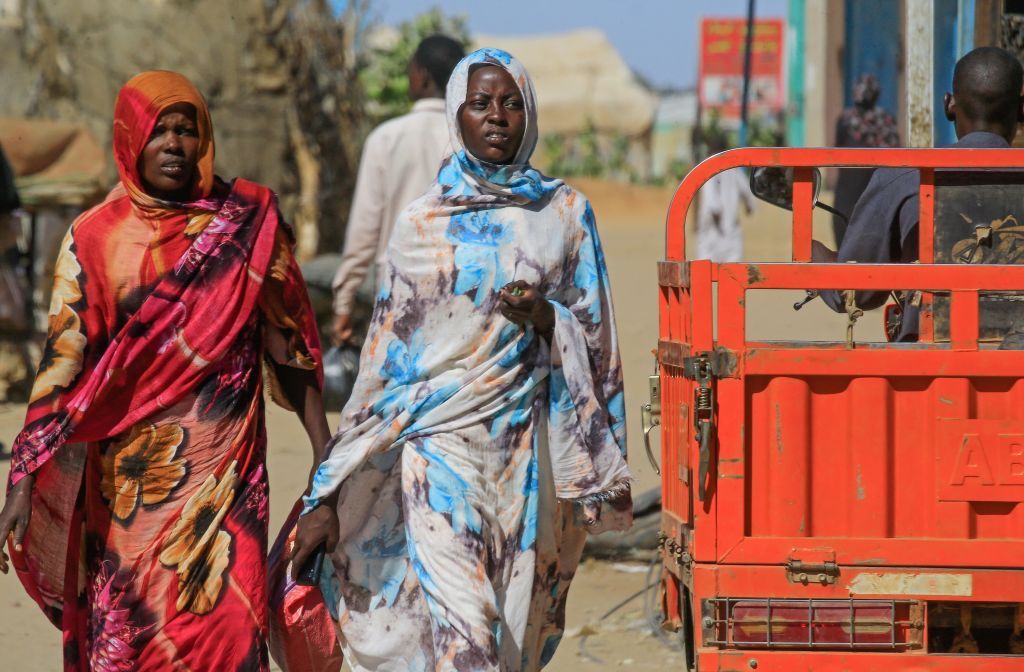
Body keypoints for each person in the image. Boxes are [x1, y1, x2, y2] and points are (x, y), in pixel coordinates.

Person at [292, 48, 632, 671]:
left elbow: (598, 336)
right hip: (438, 454)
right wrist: (326, 490)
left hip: (526, 458)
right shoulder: (422, 223)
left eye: (510, 103)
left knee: (511, 637)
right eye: (481, 103)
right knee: (466, 635)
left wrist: (547, 319)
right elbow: (383, 365)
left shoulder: (565, 214)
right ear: (458, 113)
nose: (497, 116)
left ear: (529, 114)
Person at [0, 71, 328, 670]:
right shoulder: (95, 239)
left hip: (226, 486)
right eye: (160, 131)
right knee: (136, 642)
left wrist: (323, 453)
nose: (175, 144)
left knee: (229, 632)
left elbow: (289, 344)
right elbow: (63, 362)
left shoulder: (248, 224)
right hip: (129, 495)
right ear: (131, 139)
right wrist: (23, 476)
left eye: (187, 130)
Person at [816, 47, 1024, 340]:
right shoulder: (898, 166)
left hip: (927, 369)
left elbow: (856, 293)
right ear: (1021, 110)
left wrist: (816, 257)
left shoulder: (903, 177)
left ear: (949, 105)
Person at [330, 35, 465, 346]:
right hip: (462, 291)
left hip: (399, 291)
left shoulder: (386, 138)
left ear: (422, 76)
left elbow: (363, 236)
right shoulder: (469, 141)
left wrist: (343, 305)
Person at [832, 74, 900, 245]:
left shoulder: (846, 121)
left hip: (848, 192)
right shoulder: (887, 121)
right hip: (880, 192)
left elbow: (836, 150)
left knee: (844, 242)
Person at [695, 139, 755, 263]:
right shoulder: (735, 170)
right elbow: (747, 192)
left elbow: (711, 200)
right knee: (732, 274)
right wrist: (749, 206)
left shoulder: (708, 168)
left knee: (705, 274)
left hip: (712, 230)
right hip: (731, 231)